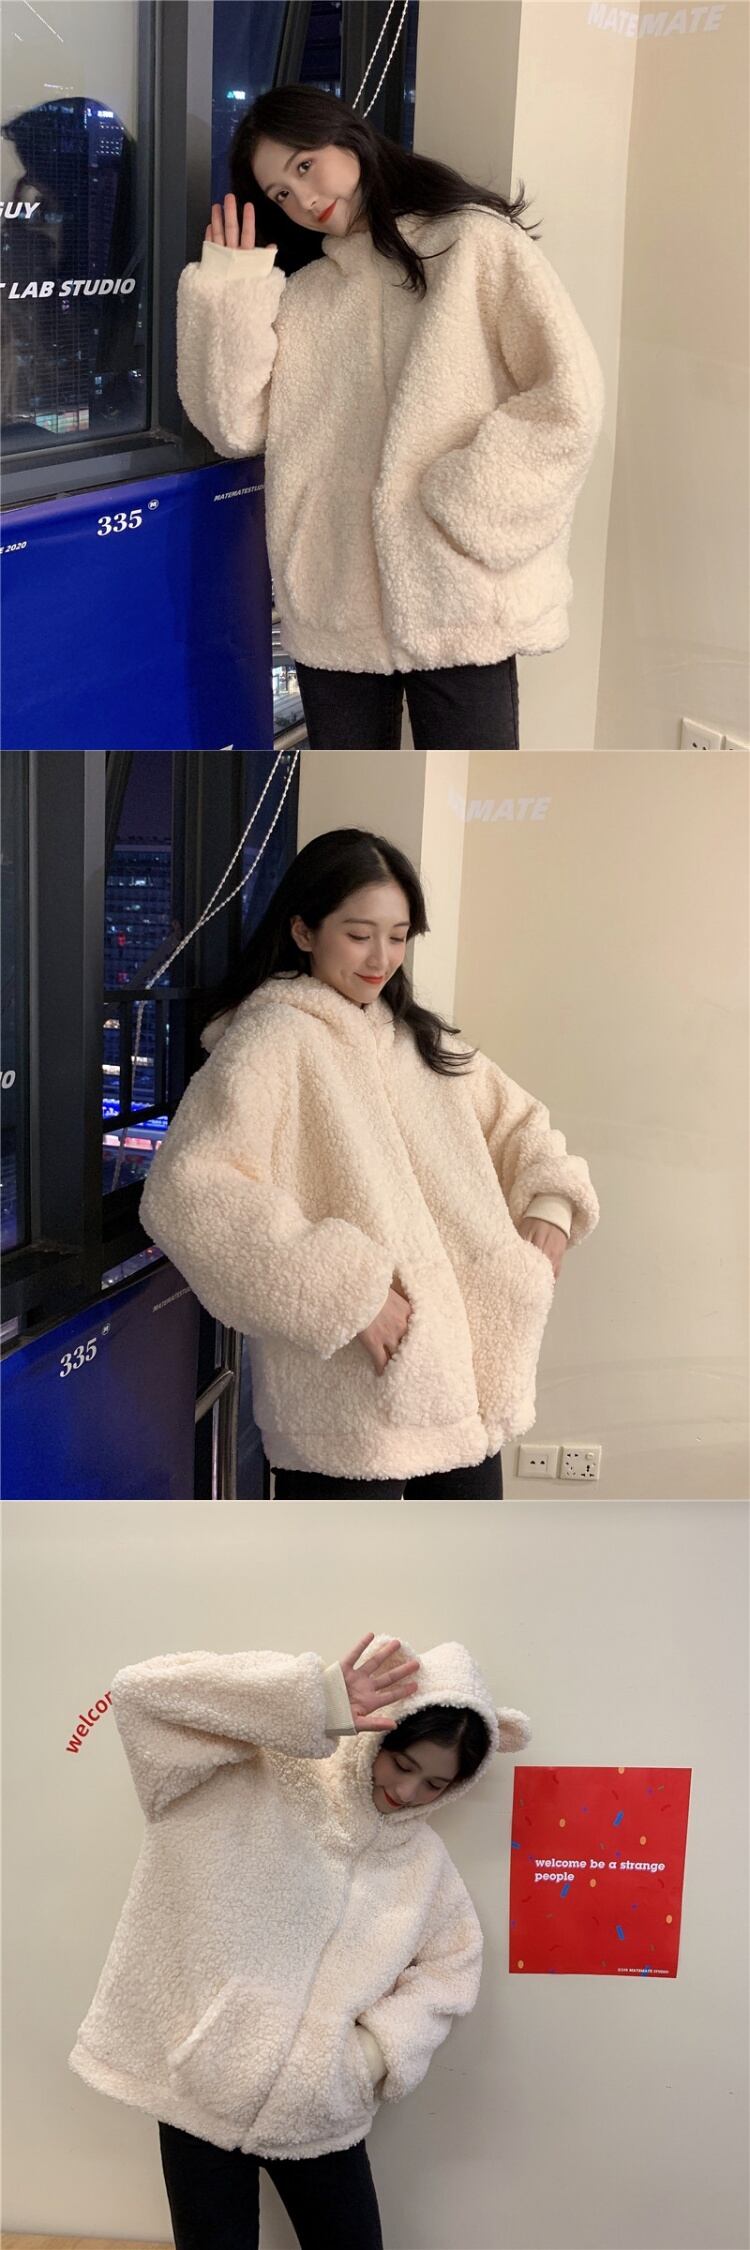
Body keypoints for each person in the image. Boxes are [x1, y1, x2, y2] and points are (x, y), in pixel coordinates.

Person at [137, 828, 600, 1499]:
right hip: (355, 1405)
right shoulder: (271, 1041)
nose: (382, 957)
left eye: (399, 935)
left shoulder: (414, 1039)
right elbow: (189, 1194)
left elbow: (521, 1123)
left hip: (468, 1389)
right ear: (304, 931)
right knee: (348, 1569)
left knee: (470, 1565)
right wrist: (349, 1293)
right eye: (359, 935)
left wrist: (551, 1209)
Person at [68, 1629, 532, 2250]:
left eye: (435, 1784)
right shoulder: (254, 1773)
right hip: (199, 2091)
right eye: (403, 1764)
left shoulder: (424, 1865)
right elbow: (140, 1694)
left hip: (320, 2107)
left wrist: (371, 2055)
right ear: (378, 1737)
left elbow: (452, 1965)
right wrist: (316, 1700)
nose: (407, 1793)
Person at [176, 83, 606, 751]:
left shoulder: (472, 244)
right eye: (281, 193)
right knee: (349, 781)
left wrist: (468, 504)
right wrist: (230, 289)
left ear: (348, 139)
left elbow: (567, 397)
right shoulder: (306, 297)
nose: (303, 198)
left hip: (459, 591)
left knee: (472, 777)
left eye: (304, 165)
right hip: (334, 600)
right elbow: (235, 427)